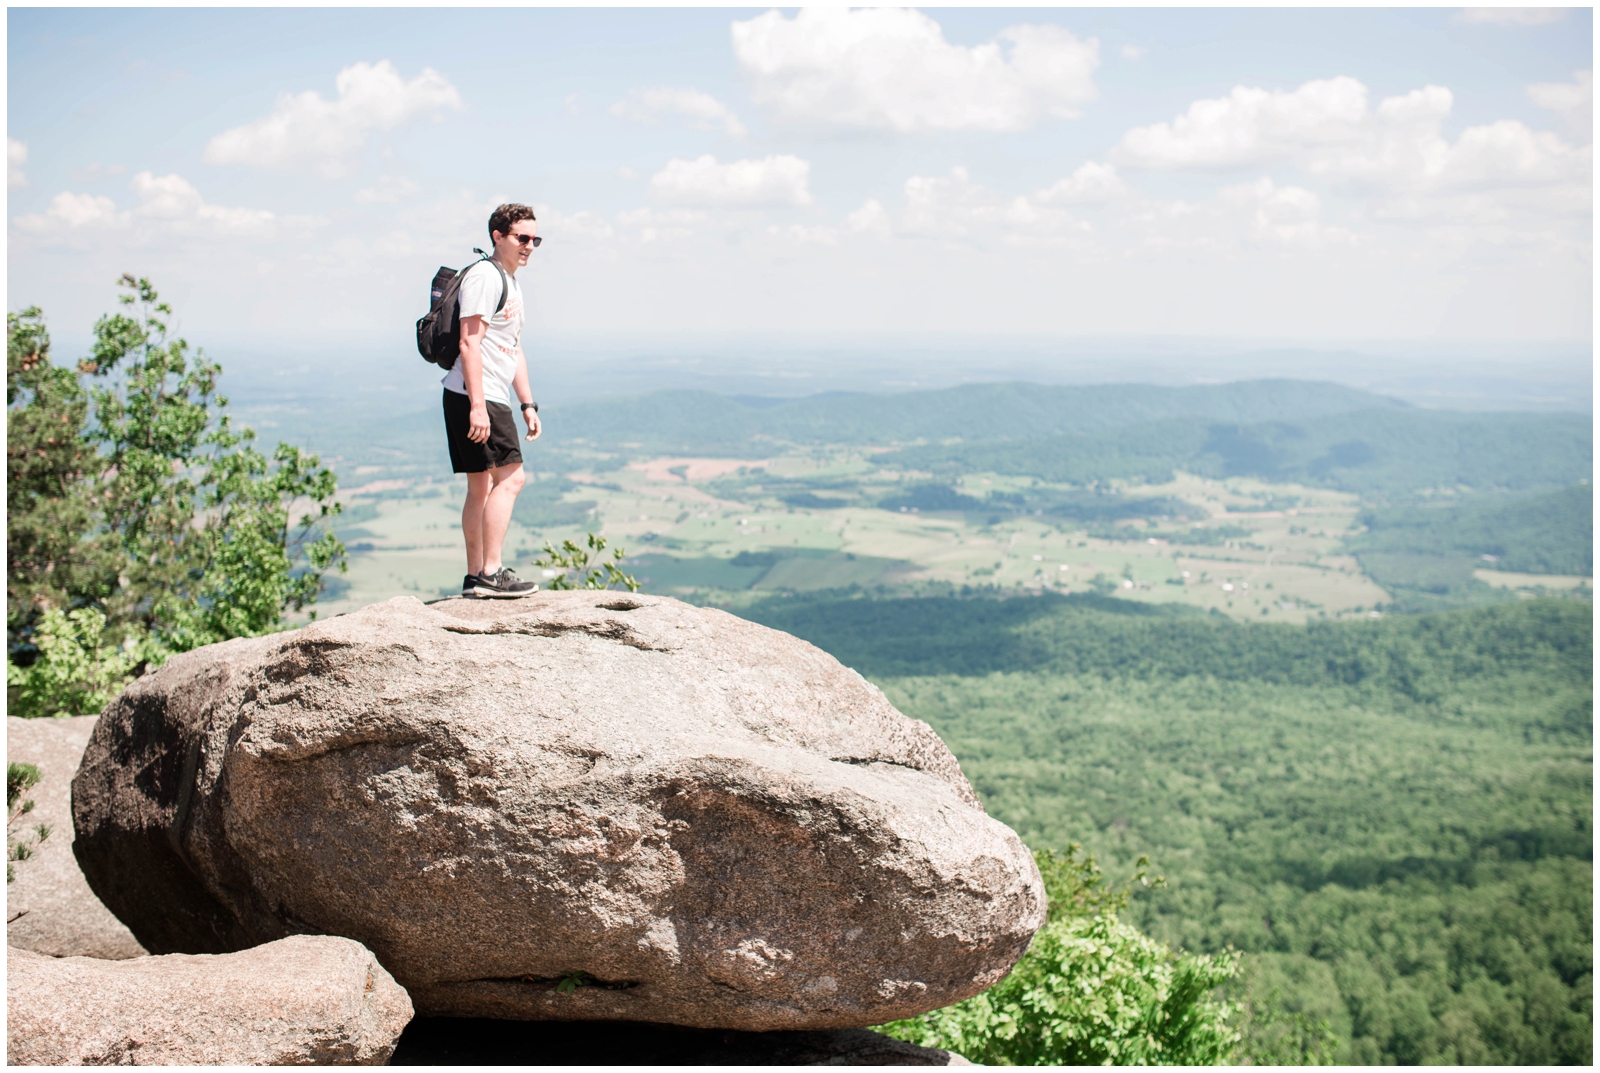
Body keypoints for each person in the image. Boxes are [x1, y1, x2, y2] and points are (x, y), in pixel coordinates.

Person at [441, 203, 543, 598]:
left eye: (535, 239)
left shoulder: (509, 281)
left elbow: (512, 349)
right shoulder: (486, 276)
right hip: (478, 394)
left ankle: (475, 576)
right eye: (522, 237)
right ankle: (492, 571)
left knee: (480, 486)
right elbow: (470, 342)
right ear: (498, 236)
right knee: (513, 478)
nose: (530, 245)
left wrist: (528, 404)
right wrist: (479, 405)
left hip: (479, 394)